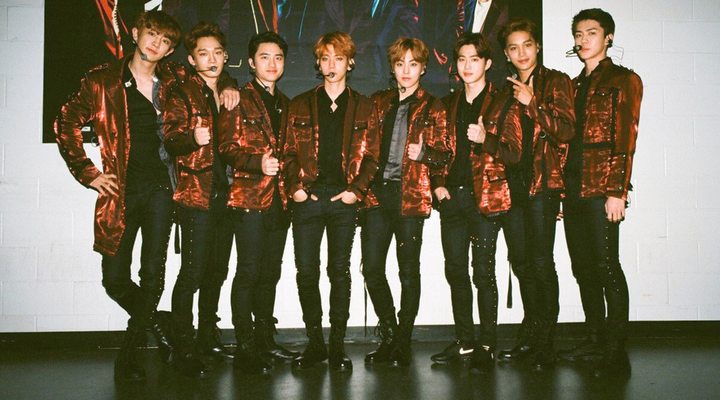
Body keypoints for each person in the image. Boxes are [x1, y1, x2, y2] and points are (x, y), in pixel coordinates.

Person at [55, 11, 183, 382]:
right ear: (136, 32)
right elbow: (65, 121)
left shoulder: (174, 82)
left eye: (165, 41)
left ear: (170, 50)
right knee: (113, 279)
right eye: (152, 34)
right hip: (120, 190)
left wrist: (229, 84)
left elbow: (212, 73)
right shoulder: (102, 81)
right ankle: (159, 325)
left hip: (161, 189)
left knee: (152, 274)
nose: (156, 44)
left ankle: (128, 355)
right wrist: (89, 173)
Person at [283, 31, 381, 372]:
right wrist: (295, 188)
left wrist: (357, 190)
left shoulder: (365, 106)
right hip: (307, 199)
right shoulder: (299, 104)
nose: (331, 65)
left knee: (339, 272)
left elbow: (373, 156)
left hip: (344, 199)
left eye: (338, 58)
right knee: (306, 272)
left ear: (349, 63)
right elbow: (288, 152)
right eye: (325, 58)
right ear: (318, 62)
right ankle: (315, 344)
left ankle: (337, 346)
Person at [558, 8, 642, 378]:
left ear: (608, 37)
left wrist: (617, 191)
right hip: (573, 189)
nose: (582, 40)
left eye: (591, 33)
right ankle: (594, 339)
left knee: (607, 266)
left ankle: (615, 349)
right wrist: (560, 191)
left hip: (602, 187)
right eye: (578, 34)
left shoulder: (624, 79)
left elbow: (626, 137)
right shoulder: (573, 86)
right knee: (583, 268)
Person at [489, 18, 575, 371]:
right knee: (521, 262)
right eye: (513, 47)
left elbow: (566, 131)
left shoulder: (556, 81)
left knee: (541, 263)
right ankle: (531, 332)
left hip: (542, 184)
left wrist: (533, 102)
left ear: (537, 46)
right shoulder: (505, 91)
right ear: (506, 54)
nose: (521, 52)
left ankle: (546, 343)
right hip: (513, 185)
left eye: (527, 44)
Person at [363, 37, 451, 367]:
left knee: (408, 272)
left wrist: (425, 153)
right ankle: (389, 333)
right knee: (372, 268)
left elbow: (446, 155)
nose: (406, 70)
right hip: (377, 195)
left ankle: (402, 340)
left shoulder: (434, 106)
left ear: (423, 68)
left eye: (413, 64)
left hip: (410, 196)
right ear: (393, 67)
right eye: (400, 64)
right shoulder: (378, 102)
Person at [218, 31, 300, 375]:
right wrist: (256, 163)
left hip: (280, 201)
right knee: (249, 272)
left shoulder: (287, 103)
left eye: (278, 57)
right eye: (264, 57)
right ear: (251, 63)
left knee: (270, 274)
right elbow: (225, 148)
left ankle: (265, 340)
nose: (272, 63)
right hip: (248, 198)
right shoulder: (238, 99)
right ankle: (246, 346)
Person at [162, 21, 239, 377]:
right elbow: (170, 140)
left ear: (225, 56)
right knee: (192, 273)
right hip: (196, 195)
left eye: (217, 53)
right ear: (192, 60)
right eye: (203, 54)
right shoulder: (181, 93)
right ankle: (183, 346)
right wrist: (193, 138)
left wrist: (230, 84)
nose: (212, 59)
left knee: (217, 272)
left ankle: (208, 335)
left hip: (228, 194)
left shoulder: (228, 91)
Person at [429, 32, 501, 367]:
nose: (467, 66)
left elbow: (514, 152)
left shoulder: (500, 102)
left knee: (483, 272)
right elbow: (439, 150)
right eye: (462, 59)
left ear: (487, 63)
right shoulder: (449, 103)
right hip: (452, 198)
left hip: (484, 198)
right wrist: (437, 184)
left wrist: (487, 139)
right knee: (455, 270)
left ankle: (487, 344)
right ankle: (465, 341)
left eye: (474, 59)